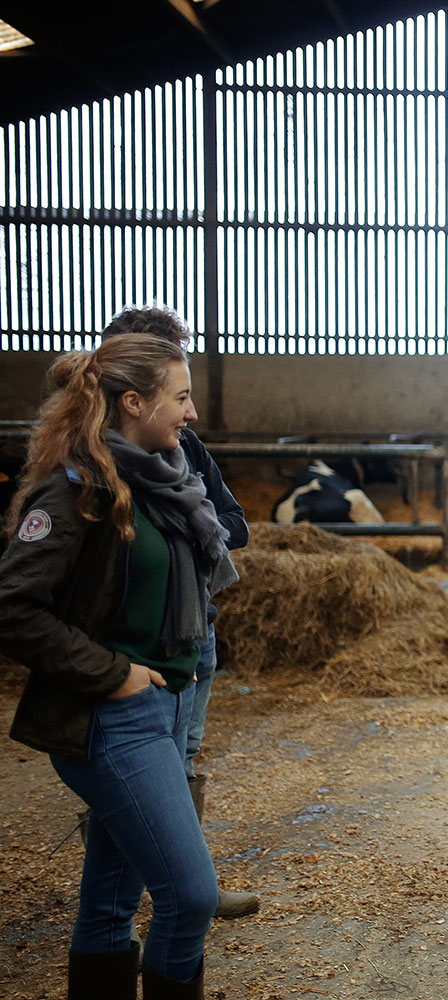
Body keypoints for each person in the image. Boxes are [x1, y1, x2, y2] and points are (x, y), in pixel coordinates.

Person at [0, 333, 238, 998]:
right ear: (135, 402)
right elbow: (13, 607)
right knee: (191, 898)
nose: (192, 413)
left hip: (160, 710)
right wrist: (115, 674)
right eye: (181, 397)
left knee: (108, 904)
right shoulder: (77, 489)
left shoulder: (160, 484)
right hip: (111, 719)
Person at [101, 306, 258, 919]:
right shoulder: (91, 466)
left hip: (196, 632)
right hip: (130, 648)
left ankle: (183, 881)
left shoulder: (186, 448)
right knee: (133, 768)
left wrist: (190, 525)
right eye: (179, 390)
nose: (189, 408)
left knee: (183, 755)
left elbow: (236, 522)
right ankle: (164, 893)